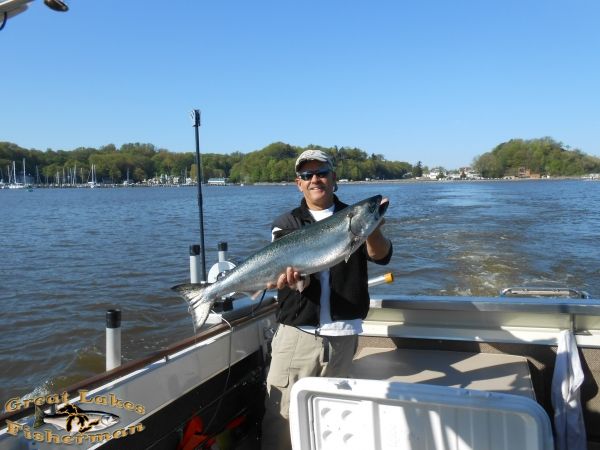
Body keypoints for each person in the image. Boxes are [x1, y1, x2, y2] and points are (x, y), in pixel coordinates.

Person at [260, 149, 393, 449]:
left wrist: (372, 229)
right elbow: (292, 276)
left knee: (333, 420)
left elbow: (381, 256)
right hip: (297, 335)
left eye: (321, 173)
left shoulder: (354, 216)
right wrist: (294, 281)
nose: (315, 179)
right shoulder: (286, 223)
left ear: (334, 178)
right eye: (307, 175)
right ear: (299, 184)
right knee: (282, 417)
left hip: (343, 337)